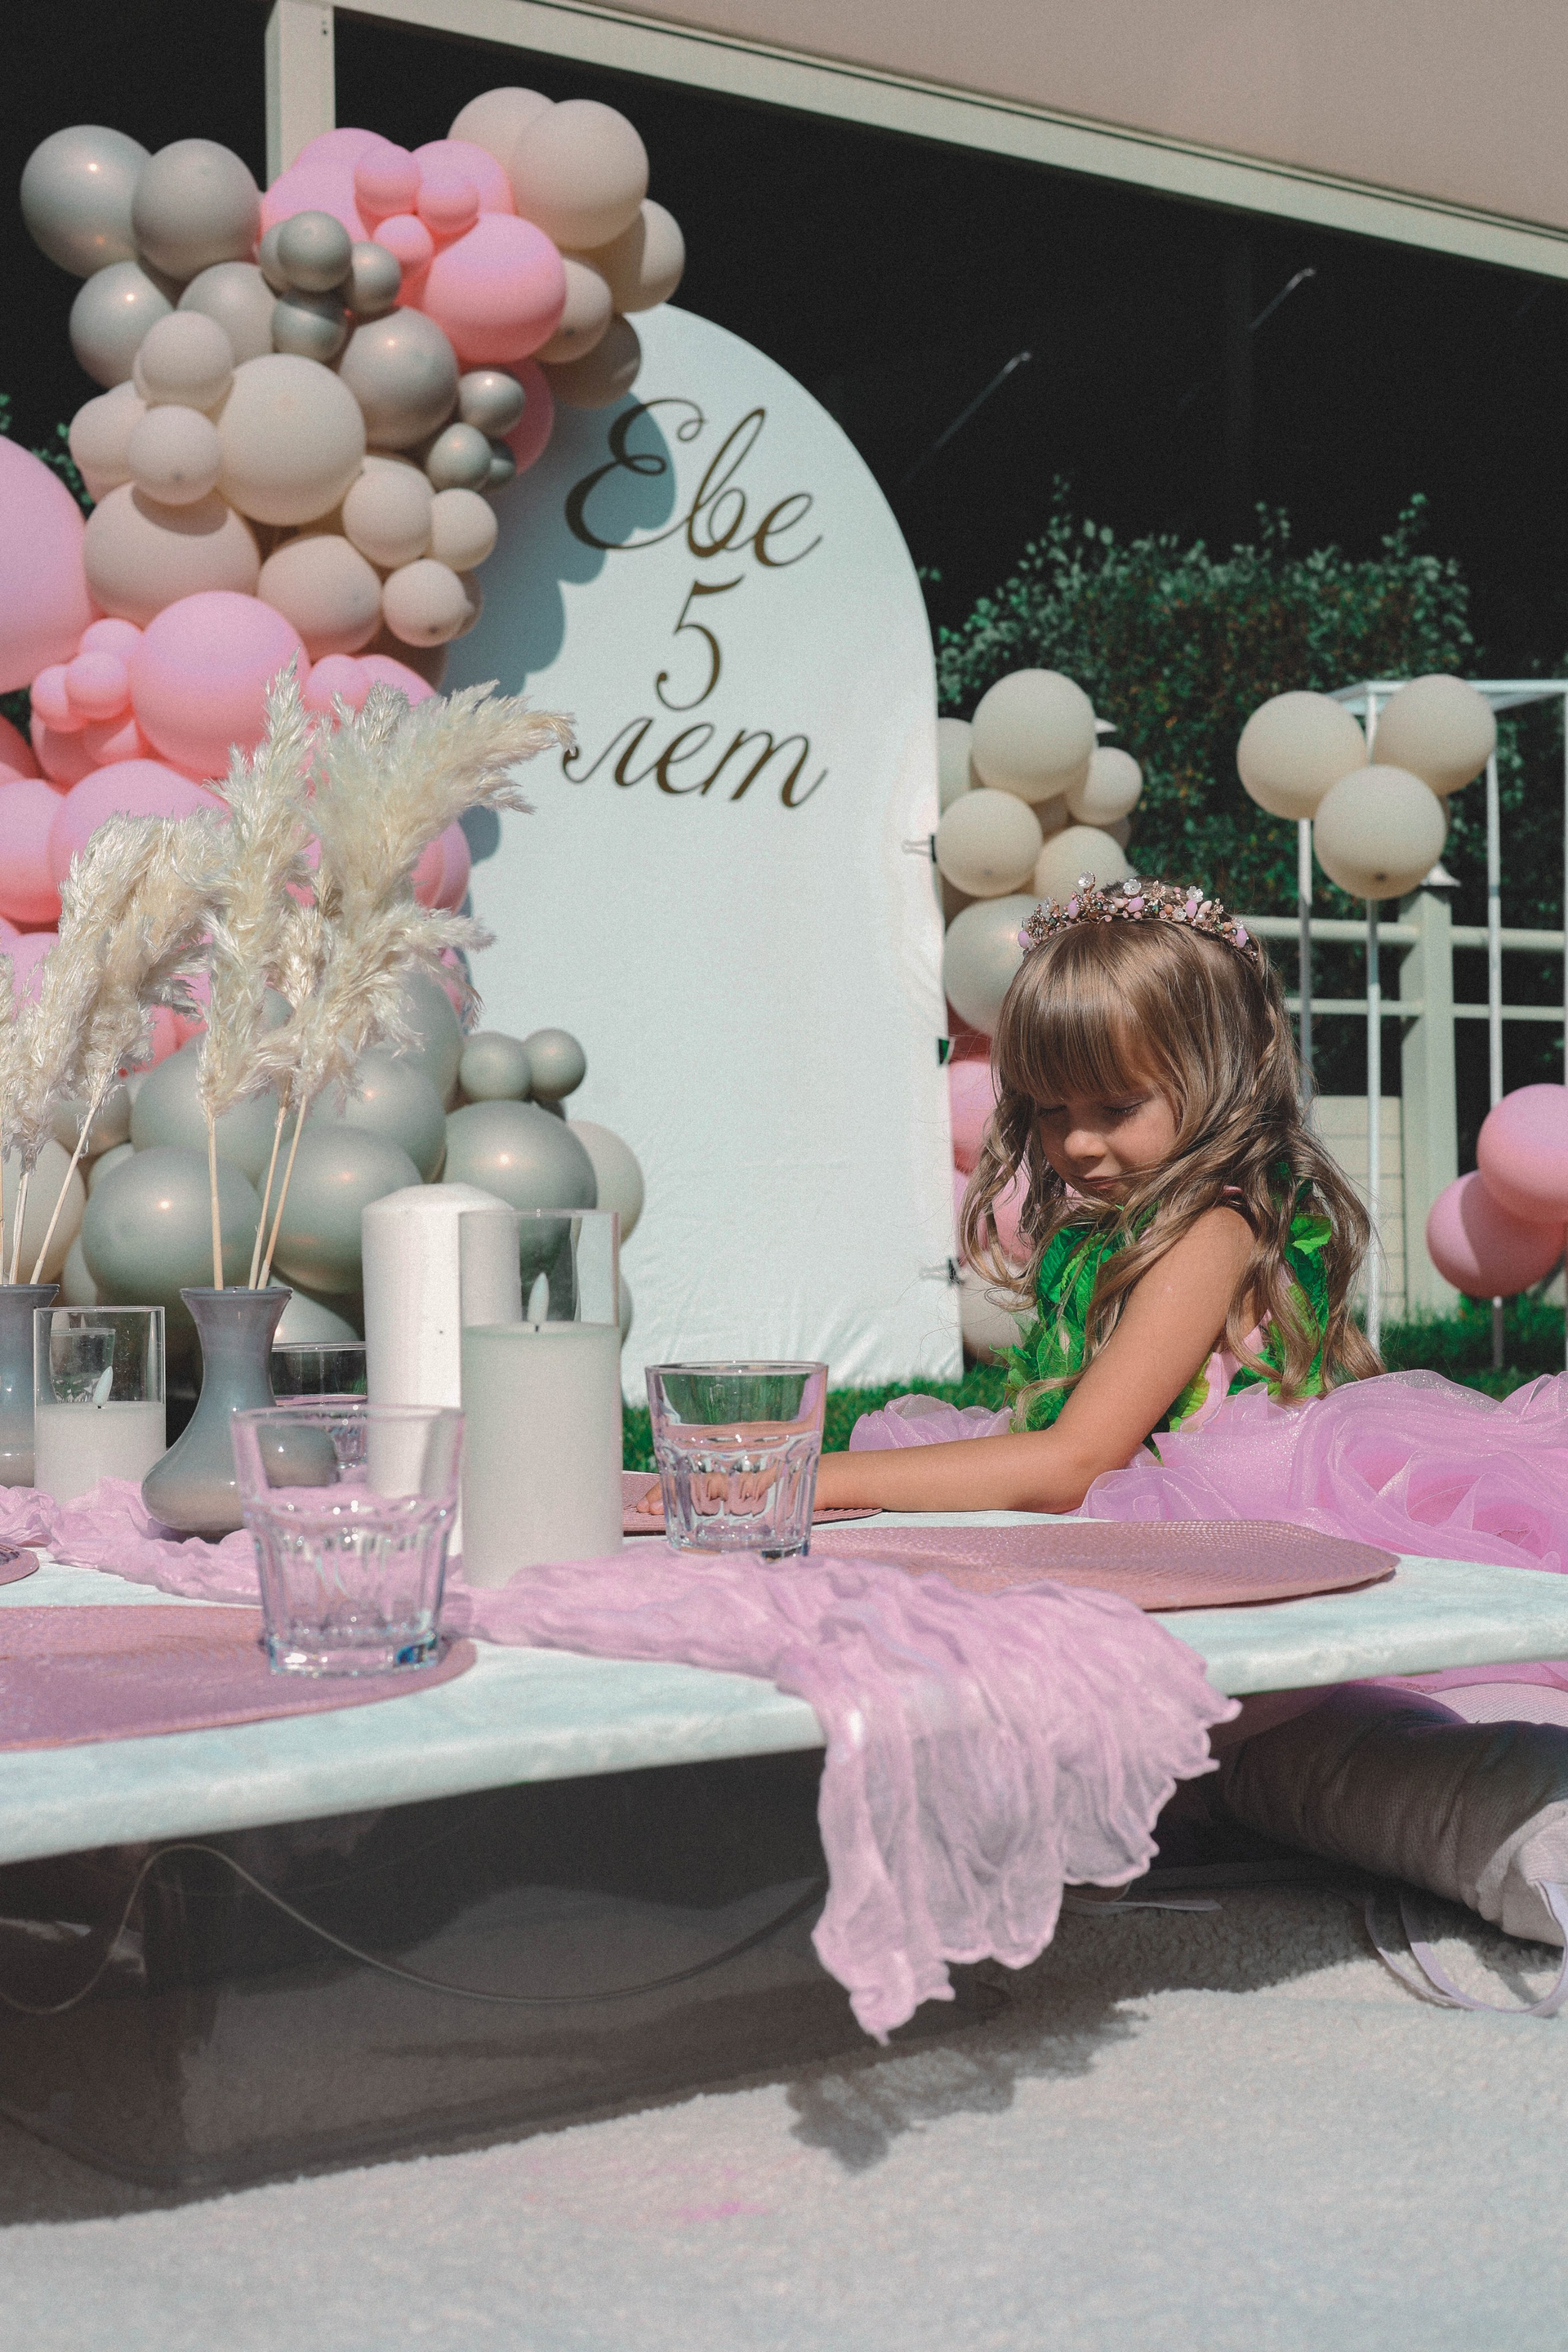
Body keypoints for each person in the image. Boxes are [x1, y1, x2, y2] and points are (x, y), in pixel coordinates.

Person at [813, 873, 1378, 1514]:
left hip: (1200, 1525)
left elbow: (1077, 1461)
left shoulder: (1211, 1233)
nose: (1078, 1143)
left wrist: (818, 1477)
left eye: (1118, 1107)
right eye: (1050, 1110)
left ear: (1224, 1075)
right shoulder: (1131, 1229)